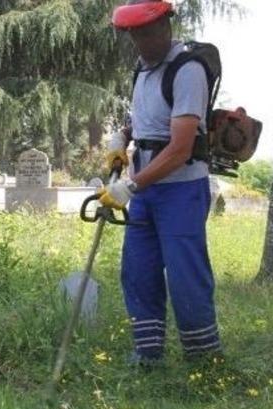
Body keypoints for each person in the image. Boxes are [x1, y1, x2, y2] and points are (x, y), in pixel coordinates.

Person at [98, 0, 221, 366]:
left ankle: (203, 358)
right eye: (135, 36)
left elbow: (180, 149)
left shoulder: (187, 70)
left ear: (167, 26)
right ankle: (148, 353)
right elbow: (146, 120)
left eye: (148, 33)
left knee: (185, 274)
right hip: (146, 191)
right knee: (138, 269)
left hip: (181, 189)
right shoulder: (143, 69)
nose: (142, 42)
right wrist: (122, 139)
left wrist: (130, 187)